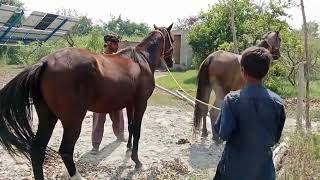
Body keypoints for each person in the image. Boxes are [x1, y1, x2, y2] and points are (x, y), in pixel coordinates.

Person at [212, 46, 286, 180]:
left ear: (242, 70)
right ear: (266, 72)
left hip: (233, 170)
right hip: (264, 172)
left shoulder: (231, 100)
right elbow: (276, 137)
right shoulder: (278, 102)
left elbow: (223, 134)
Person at [91, 32, 125, 154]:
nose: (117, 46)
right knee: (98, 120)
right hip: (101, 96)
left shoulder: (118, 58)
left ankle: (120, 136)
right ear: (109, 44)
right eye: (115, 43)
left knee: (118, 117)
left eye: (118, 43)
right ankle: (95, 145)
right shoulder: (98, 59)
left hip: (115, 95)